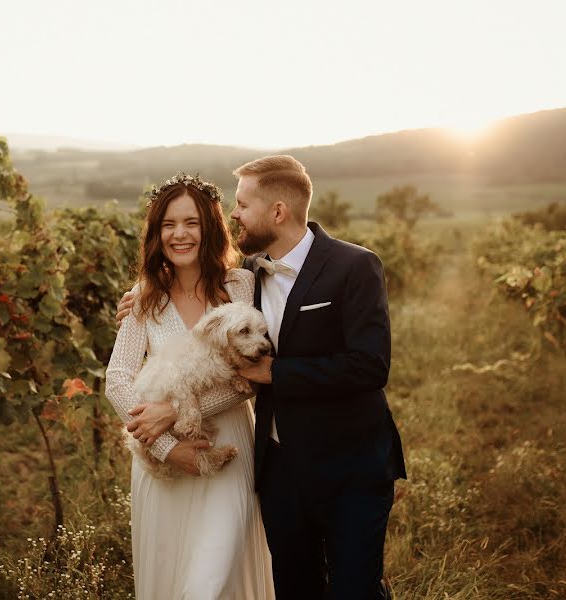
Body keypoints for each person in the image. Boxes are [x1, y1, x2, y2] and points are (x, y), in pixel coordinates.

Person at [119, 156, 406, 599]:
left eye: (242, 205)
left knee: (352, 589)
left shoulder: (341, 268)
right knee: (293, 587)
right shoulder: (246, 276)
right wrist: (165, 444)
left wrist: (271, 373)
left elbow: (367, 366)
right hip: (275, 467)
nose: (234, 214)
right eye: (169, 224)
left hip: (343, 462)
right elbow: (124, 371)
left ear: (277, 212)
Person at [104, 173, 275, 600]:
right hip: (160, 462)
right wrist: (167, 448)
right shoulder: (143, 296)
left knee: (211, 581)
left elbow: (250, 377)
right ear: (157, 233)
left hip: (231, 447)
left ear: (210, 228)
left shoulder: (239, 286)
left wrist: (178, 410)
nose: (179, 234)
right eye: (168, 225)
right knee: (172, 579)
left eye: (192, 223)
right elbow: (117, 380)